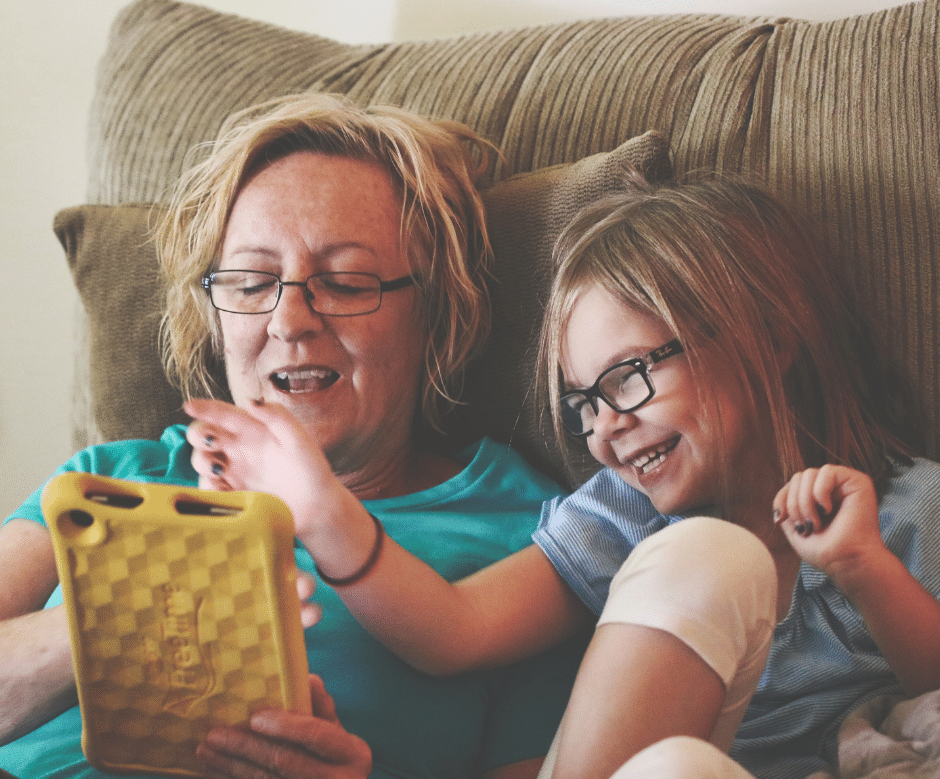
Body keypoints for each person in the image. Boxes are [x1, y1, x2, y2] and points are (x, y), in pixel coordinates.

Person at [183, 167, 940, 779]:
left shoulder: (913, 508)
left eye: (629, 377)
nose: (605, 426)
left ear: (768, 338)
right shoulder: (625, 518)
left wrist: (862, 567)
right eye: (582, 401)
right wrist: (322, 509)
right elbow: (453, 630)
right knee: (683, 711)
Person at [0, 93, 590, 779]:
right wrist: (130, 610)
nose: (289, 320)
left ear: (435, 311)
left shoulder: (529, 538)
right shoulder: (111, 479)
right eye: (250, 282)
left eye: (344, 281)